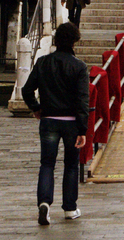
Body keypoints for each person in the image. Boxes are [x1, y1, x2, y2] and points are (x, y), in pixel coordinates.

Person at [21, 22, 89, 226]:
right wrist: (83, 129)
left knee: (47, 163)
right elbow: (82, 100)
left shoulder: (43, 62)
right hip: (71, 122)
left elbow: (26, 90)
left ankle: (44, 203)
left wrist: (36, 108)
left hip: (49, 119)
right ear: (74, 41)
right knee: (71, 165)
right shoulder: (79, 66)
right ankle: (69, 208)